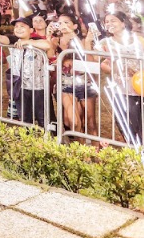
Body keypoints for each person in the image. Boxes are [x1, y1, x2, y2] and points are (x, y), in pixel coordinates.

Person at [94, 11, 143, 146]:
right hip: (122, 91)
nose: (109, 24)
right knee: (128, 125)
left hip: (141, 88)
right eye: (107, 22)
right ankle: (136, 154)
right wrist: (119, 69)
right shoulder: (105, 43)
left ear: (123, 23)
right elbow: (98, 61)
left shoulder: (138, 39)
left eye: (113, 20)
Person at [56, 14, 98, 144]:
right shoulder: (54, 41)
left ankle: (97, 155)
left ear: (75, 26)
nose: (62, 25)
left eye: (66, 22)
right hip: (66, 85)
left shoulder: (82, 40)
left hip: (84, 83)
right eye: (60, 23)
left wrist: (73, 36)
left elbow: (89, 60)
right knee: (74, 121)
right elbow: (51, 56)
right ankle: (82, 151)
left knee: (90, 123)